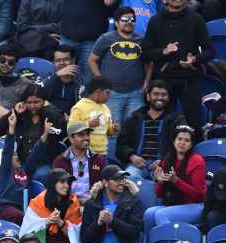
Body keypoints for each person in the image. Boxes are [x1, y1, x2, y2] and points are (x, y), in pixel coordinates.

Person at [142, 0, 213, 130]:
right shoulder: (155, 20)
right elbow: (146, 52)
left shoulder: (196, 19)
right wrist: (164, 51)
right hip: (164, 79)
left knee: (194, 122)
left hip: (190, 78)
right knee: (163, 123)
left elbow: (210, 51)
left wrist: (195, 59)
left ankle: (194, 150)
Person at [88, 7, 147, 136]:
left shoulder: (141, 40)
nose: (129, 22)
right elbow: (92, 59)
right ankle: (111, 157)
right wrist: (100, 81)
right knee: (112, 132)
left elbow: (149, 63)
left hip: (135, 93)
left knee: (133, 132)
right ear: (116, 22)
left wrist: (147, 82)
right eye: (125, 19)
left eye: (132, 19)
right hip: (112, 94)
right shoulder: (106, 38)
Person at [80, 166, 145, 243]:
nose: (121, 182)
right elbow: (85, 237)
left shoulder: (133, 201)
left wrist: (112, 222)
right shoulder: (92, 204)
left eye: (123, 179)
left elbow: (134, 232)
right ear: (105, 182)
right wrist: (98, 223)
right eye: (117, 179)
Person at [116, 80, 184, 180]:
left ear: (168, 97)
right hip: (137, 165)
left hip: (163, 165)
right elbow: (121, 145)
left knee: (165, 182)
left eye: (163, 95)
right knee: (128, 180)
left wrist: (165, 161)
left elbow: (182, 145)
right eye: (156, 94)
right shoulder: (134, 118)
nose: (160, 98)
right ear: (148, 96)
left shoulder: (177, 119)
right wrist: (131, 156)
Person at [145, 125, 207, 229]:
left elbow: (199, 195)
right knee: (149, 214)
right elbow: (159, 194)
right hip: (173, 205)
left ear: (191, 144)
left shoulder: (197, 161)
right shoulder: (167, 160)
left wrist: (176, 181)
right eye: (179, 139)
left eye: (187, 140)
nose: (182, 143)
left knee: (161, 214)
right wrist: (161, 181)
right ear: (174, 141)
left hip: (196, 206)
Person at [19, 174, 83, 243]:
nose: (66, 186)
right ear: (53, 183)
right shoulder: (38, 202)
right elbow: (26, 233)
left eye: (68, 182)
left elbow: (76, 239)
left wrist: (60, 222)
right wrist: (46, 222)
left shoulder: (73, 203)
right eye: (62, 182)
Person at [50, 123, 105, 205]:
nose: (86, 138)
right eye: (81, 135)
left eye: (87, 134)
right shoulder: (60, 161)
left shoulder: (98, 159)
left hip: (92, 206)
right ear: (71, 138)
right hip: (67, 205)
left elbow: (106, 183)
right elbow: (55, 189)